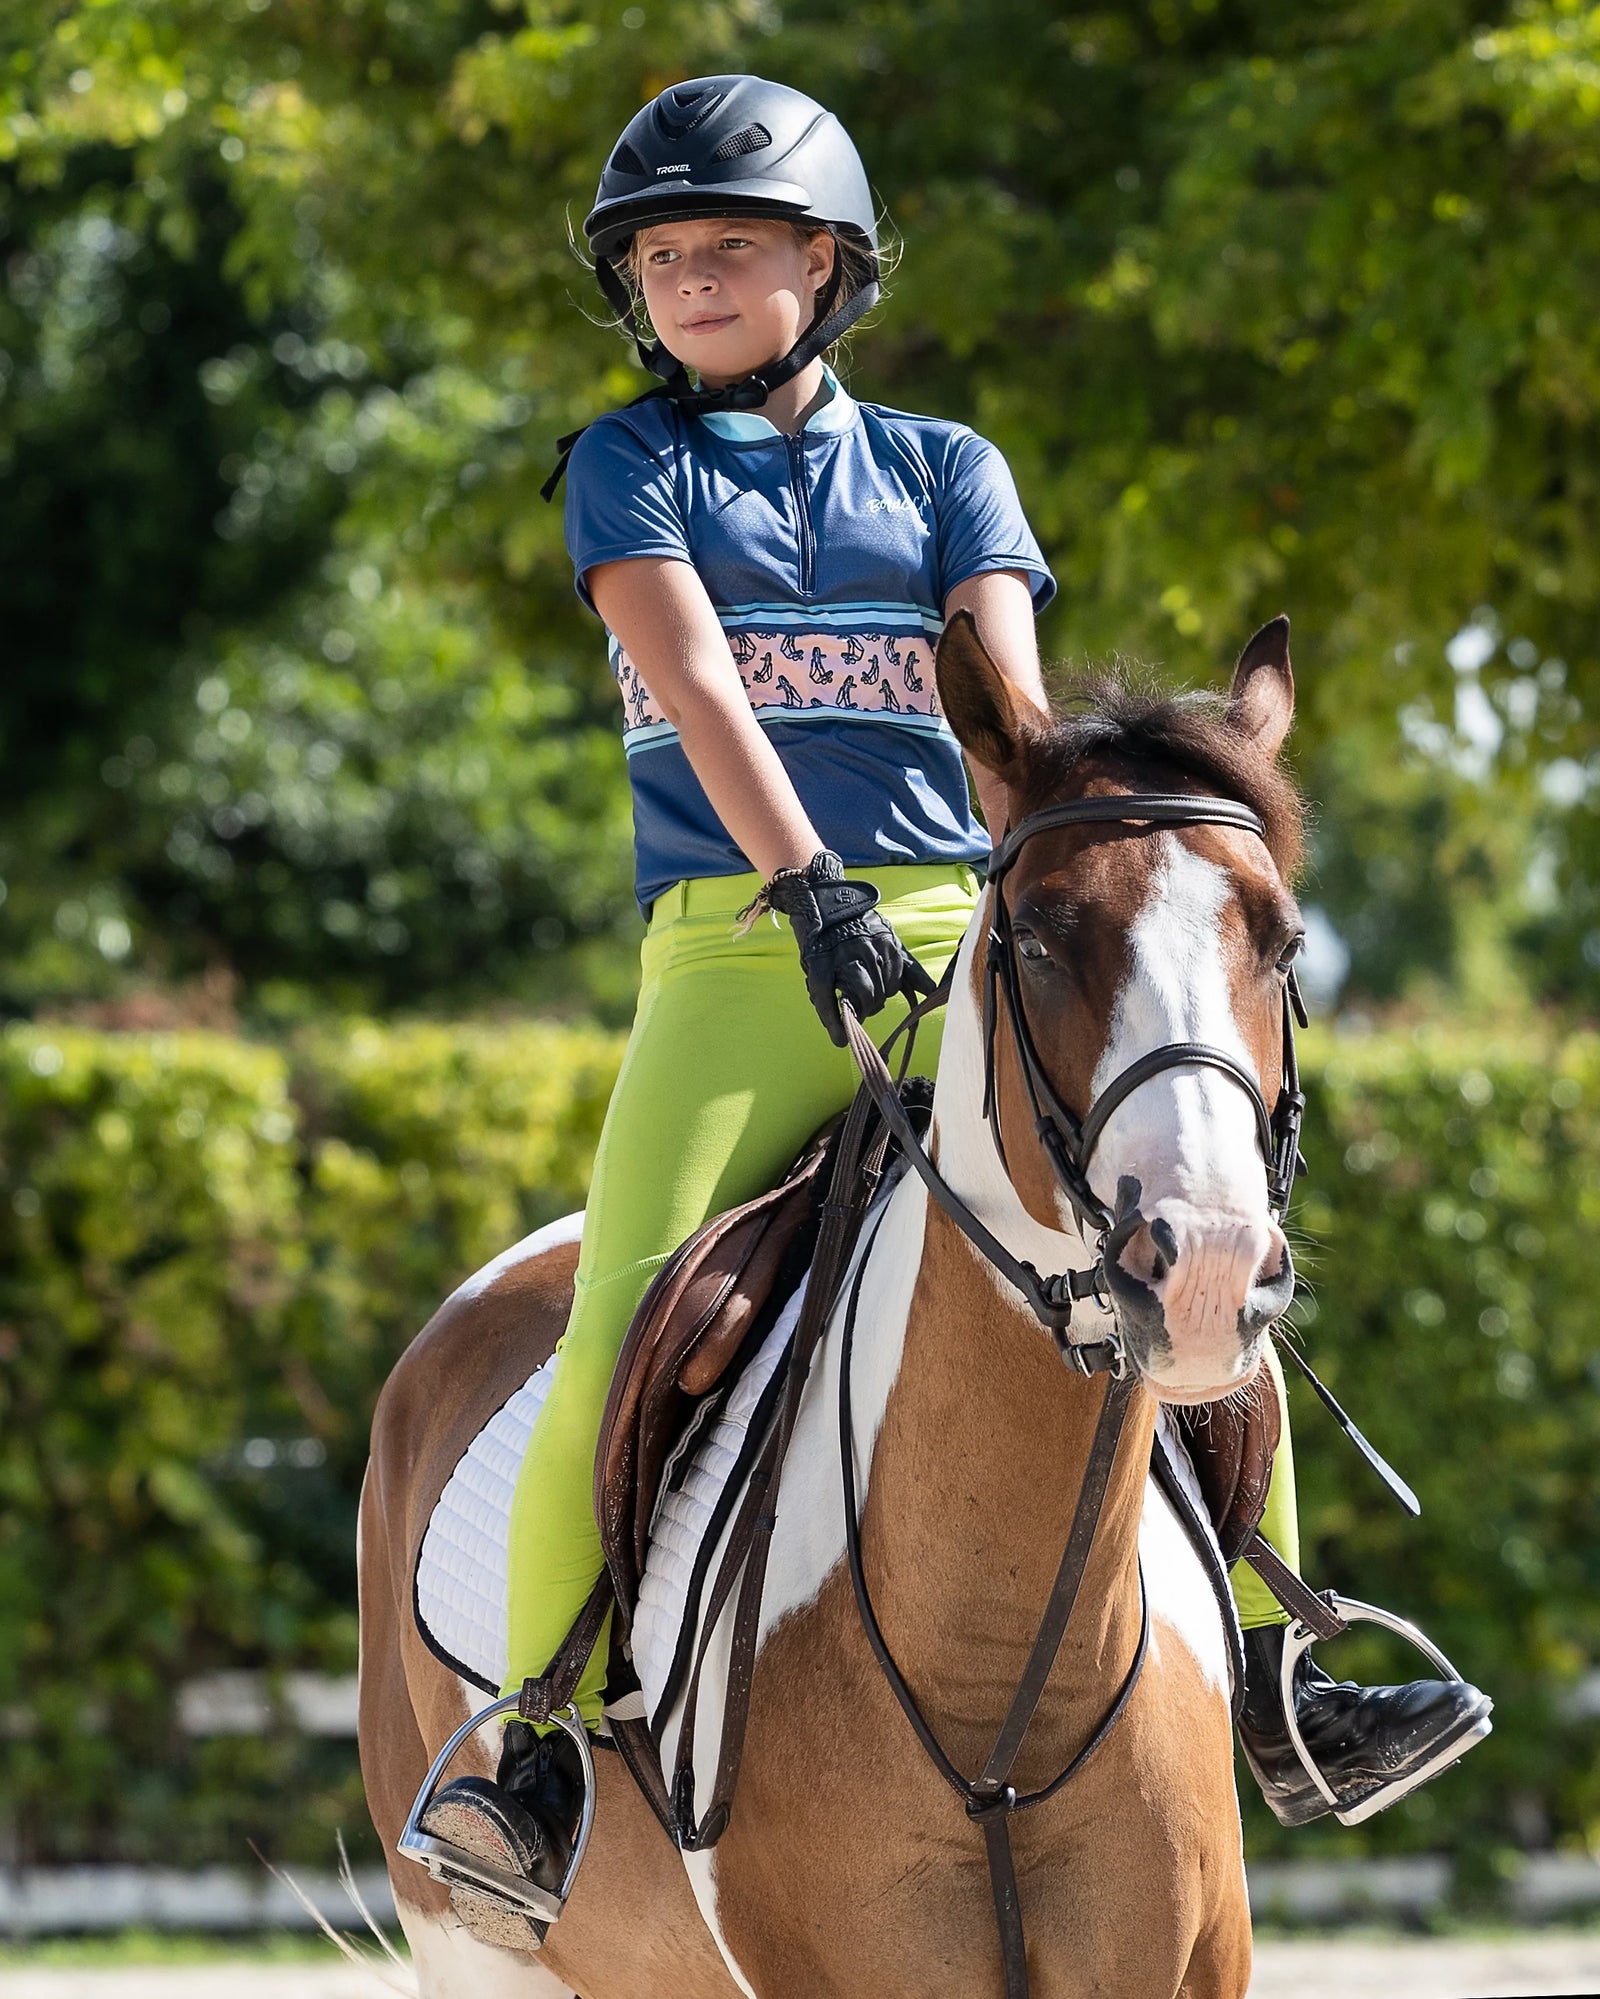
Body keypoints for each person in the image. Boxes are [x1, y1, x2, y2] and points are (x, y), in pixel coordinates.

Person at [420, 74, 1491, 1939]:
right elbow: (695, 688)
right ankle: (525, 1753)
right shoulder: (630, 465)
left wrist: (1051, 851)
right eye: (661, 257)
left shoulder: (942, 467)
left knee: (1197, 1253)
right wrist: (804, 887)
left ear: (827, 269)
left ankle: (1280, 1675)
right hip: (743, 954)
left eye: (730, 249)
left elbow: (1008, 707)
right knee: (621, 1312)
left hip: (978, 932)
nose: (687, 280)